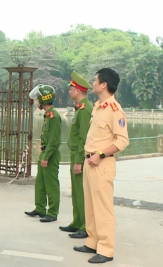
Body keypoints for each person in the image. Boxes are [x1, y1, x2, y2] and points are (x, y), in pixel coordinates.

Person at [74, 68, 129, 264]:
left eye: (96, 80)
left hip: (102, 163)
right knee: (90, 205)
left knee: (103, 208)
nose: (93, 83)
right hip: (90, 161)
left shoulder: (115, 110)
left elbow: (122, 141)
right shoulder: (98, 107)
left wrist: (100, 154)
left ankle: (105, 249)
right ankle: (92, 241)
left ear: (104, 84)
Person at [60, 72, 93, 239]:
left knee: (82, 192)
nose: (69, 91)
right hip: (74, 153)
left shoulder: (86, 109)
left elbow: (84, 138)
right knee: (76, 191)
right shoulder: (80, 108)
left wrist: (79, 160)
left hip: (79, 155)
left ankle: (85, 226)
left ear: (78, 91)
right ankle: (77, 222)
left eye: (71, 89)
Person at [25, 84, 61, 223]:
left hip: (50, 154)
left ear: (44, 99)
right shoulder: (48, 115)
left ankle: (52, 212)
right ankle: (40, 207)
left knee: (51, 184)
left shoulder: (54, 116)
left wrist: (46, 157)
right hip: (44, 152)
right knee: (40, 182)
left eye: (39, 99)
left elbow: (54, 140)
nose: (37, 101)